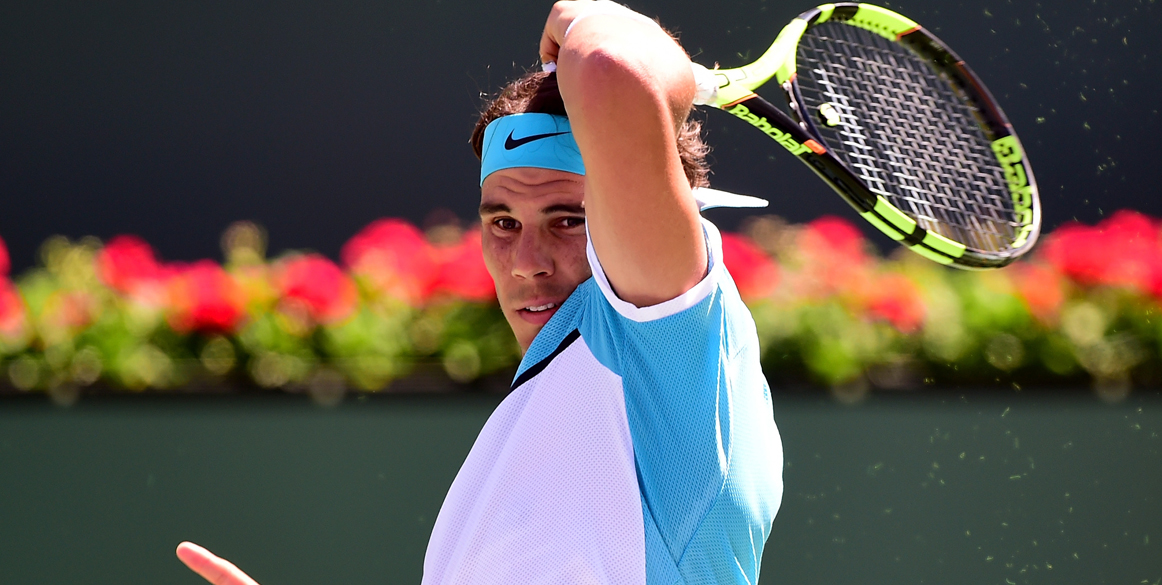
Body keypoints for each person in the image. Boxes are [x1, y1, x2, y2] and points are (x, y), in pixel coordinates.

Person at [176, 1, 783, 583]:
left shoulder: (664, 343)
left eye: (567, 220)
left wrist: (586, 15)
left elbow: (610, 69)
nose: (525, 263)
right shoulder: (549, 422)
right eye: (503, 223)